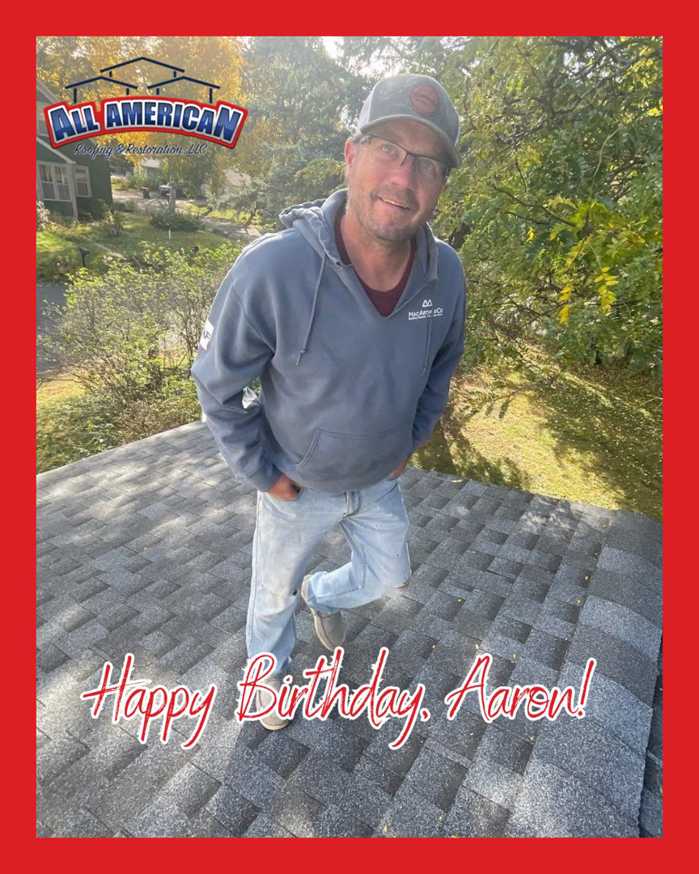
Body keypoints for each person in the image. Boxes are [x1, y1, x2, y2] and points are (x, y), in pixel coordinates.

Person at [190, 73, 467, 730]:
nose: (404, 177)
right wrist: (263, 474)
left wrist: (411, 440)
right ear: (351, 154)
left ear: (440, 184)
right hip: (295, 487)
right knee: (268, 600)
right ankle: (267, 679)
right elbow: (217, 384)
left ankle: (323, 593)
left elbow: (441, 367)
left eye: (426, 162)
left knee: (387, 581)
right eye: (388, 149)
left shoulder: (445, 273)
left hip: (378, 484)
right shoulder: (273, 269)